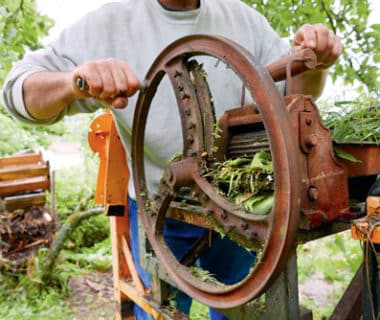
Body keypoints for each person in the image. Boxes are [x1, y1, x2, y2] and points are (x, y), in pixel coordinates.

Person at [2, 0, 341, 319]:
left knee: (245, 310)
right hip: (161, 213)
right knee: (159, 310)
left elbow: (296, 93)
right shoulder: (109, 24)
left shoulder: (241, 18)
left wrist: (317, 62)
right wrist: (74, 82)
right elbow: (17, 91)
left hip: (241, 210)